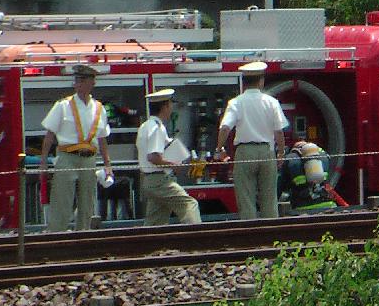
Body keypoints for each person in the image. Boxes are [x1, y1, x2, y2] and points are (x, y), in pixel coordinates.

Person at [39, 64, 113, 232]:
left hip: (89, 158)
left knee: (87, 202)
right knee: (62, 200)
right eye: (77, 80)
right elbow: (50, 135)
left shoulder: (99, 108)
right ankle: (56, 235)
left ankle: (83, 235)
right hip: (67, 156)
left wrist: (107, 164)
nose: (78, 83)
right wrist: (43, 162)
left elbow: (102, 139)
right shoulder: (63, 105)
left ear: (92, 83)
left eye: (82, 80)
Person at [216, 61, 288, 219]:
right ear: (261, 80)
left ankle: (251, 234)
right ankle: (271, 236)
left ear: (244, 81)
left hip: (245, 152)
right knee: (269, 198)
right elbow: (279, 132)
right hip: (266, 151)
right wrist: (281, 153)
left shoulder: (236, 102)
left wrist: (219, 149)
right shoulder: (271, 102)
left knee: (246, 198)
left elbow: (225, 128)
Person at [136, 88, 201, 227]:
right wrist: (174, 165)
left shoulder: (145, 126)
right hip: (159, 180)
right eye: (170, 104)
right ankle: (197, 237)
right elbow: (153, 157)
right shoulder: (157, 128)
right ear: (165, 106)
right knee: (189, 204)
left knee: (156, 220)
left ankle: (146, 245)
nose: (171, 108)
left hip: (149, 180)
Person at [281, 139, 339, 212]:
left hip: (302, 207)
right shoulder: (324, 155)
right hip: (328, 205)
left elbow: (281, 185)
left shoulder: (290, 159)